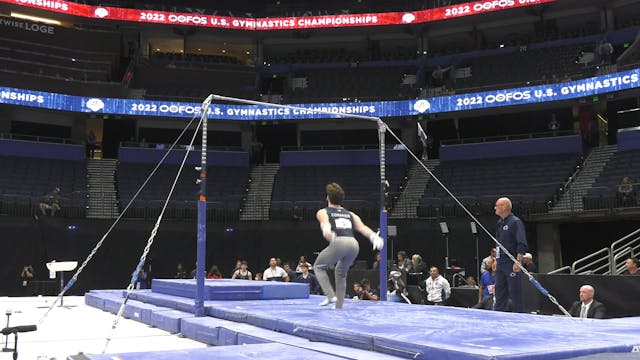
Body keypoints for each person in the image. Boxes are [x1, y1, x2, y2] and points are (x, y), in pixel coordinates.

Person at [314, 183, 383, 309]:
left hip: (339, 241)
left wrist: (327, 232)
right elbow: (362, 228)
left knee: (318, 267)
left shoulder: (323, 211)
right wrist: (374, 237)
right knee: (340, 273)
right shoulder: (350, 214)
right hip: (353, 244)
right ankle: (339, 305)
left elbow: (325, 224)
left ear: (327, 197)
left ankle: (330, 296)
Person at [494, 197, 528, 313]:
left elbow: (521, 242)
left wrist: (518, 261)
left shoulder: (515, 222)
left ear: (504, 207)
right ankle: (498, 313)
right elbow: (498, 244)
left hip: (511, 262)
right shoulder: (500, 223)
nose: (495, 208)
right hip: (500, 262)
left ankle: (519, 314)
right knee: (499, 290)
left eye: (497, 205)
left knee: (514, 291)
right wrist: (495, 260)